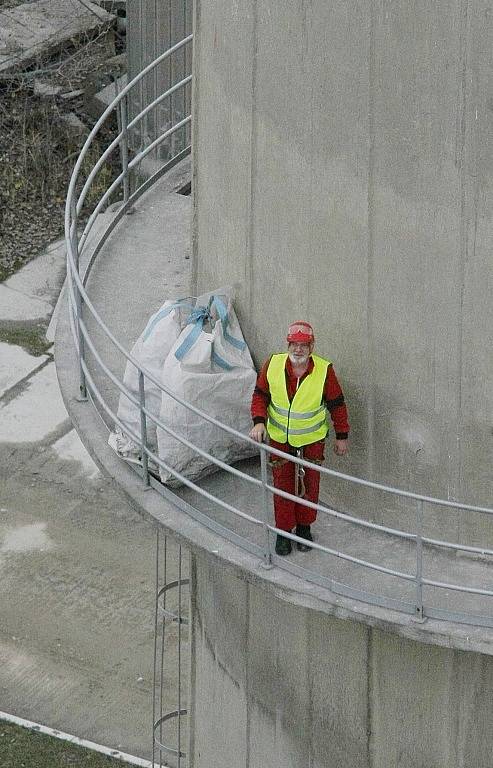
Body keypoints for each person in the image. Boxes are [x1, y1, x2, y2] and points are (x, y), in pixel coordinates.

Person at [249, 321, 349, 556]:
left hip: (312, 440)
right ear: (288, 344)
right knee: (282, 486)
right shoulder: (272, 365)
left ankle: (304, 529)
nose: (298, 350)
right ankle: (283, 532)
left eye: (303, 345)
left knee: (310, 486)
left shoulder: (324, 370)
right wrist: (259, 422)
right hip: (280, 438)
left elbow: (337, 405)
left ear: (312, 346)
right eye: (294, 344)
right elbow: (260, 396)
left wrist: (342, 436)